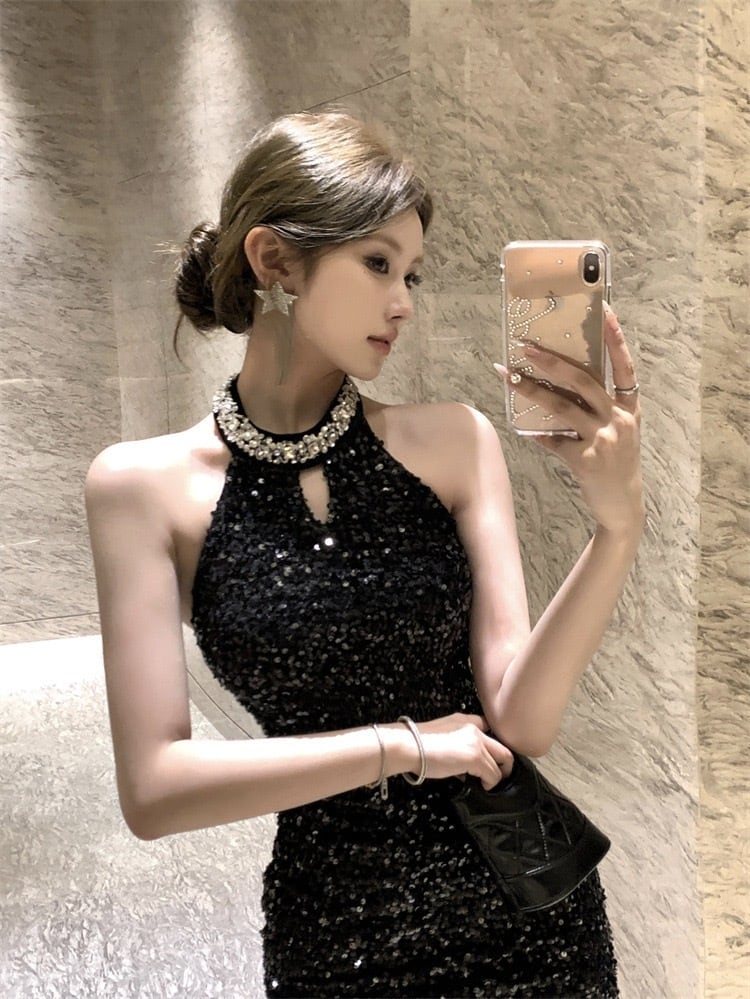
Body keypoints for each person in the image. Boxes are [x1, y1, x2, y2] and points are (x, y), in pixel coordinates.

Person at [85, 110, 644, 998]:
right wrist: (402, 744)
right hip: (336, 928)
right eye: (379, 263)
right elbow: (154, 789)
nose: (405, 301)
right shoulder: (140, 488)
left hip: (528, 917)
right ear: (275, 260)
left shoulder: (456, 440)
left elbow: (522, 720)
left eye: (410, 272)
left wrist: (616, 527)